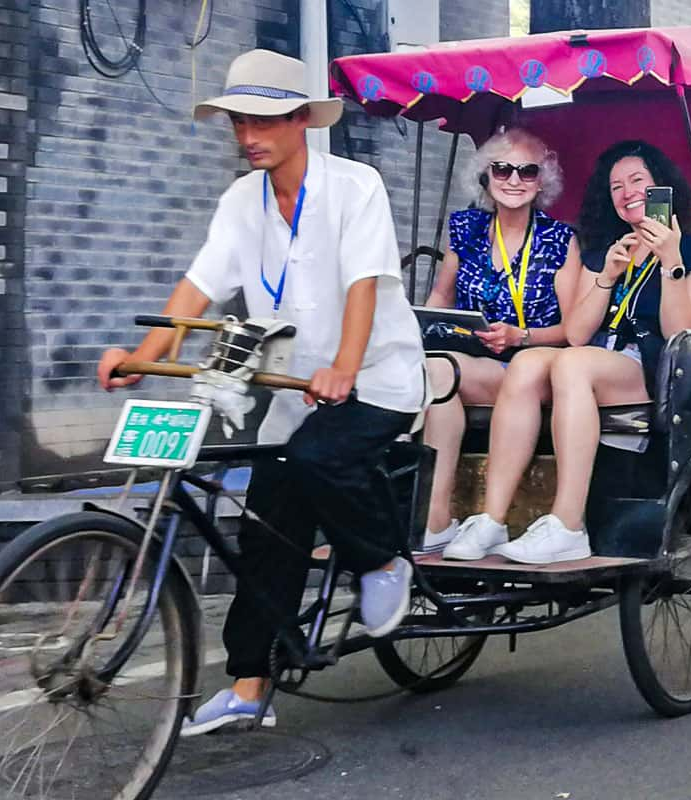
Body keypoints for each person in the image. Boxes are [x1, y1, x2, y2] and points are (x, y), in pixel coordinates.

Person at [93, 50, 424, 735]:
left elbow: (364, 284)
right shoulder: (241, 200)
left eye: (265, 120)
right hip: (293, 389)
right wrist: (143, 358)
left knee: (315, 461)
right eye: (239, 120)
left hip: (376, 379)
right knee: (267, 524)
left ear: (302, 119)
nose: (248, 135)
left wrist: (344, 365)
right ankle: (249, 683)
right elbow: (198, 290)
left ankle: (381, 560)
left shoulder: (353, 187)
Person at [439, 140, 691, 565]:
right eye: (616, 186)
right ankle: (491, 517)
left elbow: (680, 331)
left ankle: (568, 524)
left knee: (572, 364)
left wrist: (670, 262)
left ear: (661, 187)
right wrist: (606, 274)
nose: (627, 192)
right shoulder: (605, 249)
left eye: (637, 181)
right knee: (530, 362)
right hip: (593, 356)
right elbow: (577, 332)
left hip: (655, 364)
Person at [418, 128, 574, 548]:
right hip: (469, 359)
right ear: (486, 176)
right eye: (502, 169)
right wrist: (425, 326)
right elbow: (441, 295)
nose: (514, 179)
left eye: (527, 171)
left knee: (439, 372)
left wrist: (519, 336)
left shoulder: (559, 240)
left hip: (534, 365)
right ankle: (435, 520)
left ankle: (448, 521)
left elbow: (574, 330)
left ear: (542, 181)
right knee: (432, 372)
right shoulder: (466, 228)